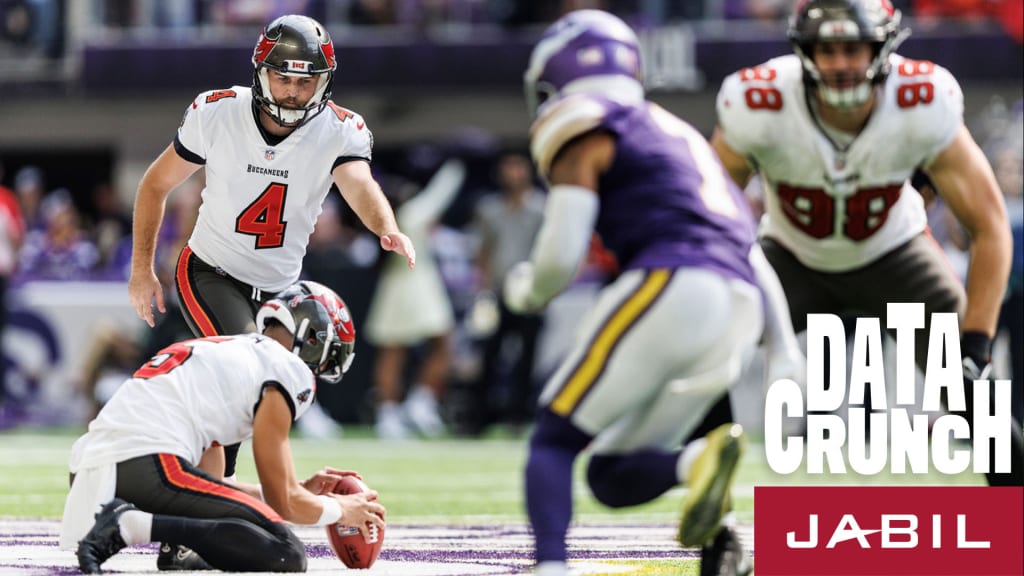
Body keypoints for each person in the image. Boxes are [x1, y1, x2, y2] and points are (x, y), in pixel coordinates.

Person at [509, 10, 804, 576]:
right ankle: (699, 461)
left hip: (673, 281)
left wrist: (525, 291)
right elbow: (750, 247)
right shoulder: (677, 131)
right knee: (611, 474)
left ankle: (551, 566)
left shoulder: (584, 118)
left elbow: (559, 257)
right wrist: (782, 348)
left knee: (552, 440)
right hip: (741, 305)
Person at [709, 0, 1022, 485]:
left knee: (972, 395)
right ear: (803, 50)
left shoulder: (921, 98)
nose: (839, 64)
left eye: (853, 48)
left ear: (881, 47)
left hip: (892, 254)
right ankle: (711, 520)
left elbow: (990, 226)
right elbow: (709, 212)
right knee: (703, 359)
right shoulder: (760, 102)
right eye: (826, 49)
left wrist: (976, 344)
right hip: (789, 256)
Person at [127, 12, 415, 505]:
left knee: (258, 394)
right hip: (210, 270)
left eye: (306, 82)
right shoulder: (218, 112)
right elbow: (155, 183)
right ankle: (206, 514)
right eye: (283, 77)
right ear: (261, 71)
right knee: (247, 381)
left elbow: (360, 184)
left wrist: (386, 227)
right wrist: (141, 269)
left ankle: (214, 503)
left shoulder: (339, 130)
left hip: (281, 288)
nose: (292, 91)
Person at [60, 283, 380, 573]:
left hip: (99, 466)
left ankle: (170, 543)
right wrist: (340, 509)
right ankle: (130, 526)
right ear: (313, 338)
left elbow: (212, 487)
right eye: (327, 359)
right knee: (286, 553)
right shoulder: (287, 368)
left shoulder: (224, 353)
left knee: (245, 525)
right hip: (146, 462)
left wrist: (298, 488)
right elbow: (285, 503)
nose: (319, 369)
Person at [364, 157, 467, 439]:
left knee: (396, 351)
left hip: (398, 288)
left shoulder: (386, 219)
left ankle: (403, 409)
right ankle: (406, 408)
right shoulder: (408, 216)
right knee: (413, 349)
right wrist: (457, 165)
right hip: (415, 286)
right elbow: (439, 194)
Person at [467, 152, 546, 436]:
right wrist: (483, 292)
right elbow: (484, 252)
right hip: (498, 292)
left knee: (526, 359)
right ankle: (478, 419)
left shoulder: (541, 208)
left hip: (530, 294)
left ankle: (518, 417)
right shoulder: (490, 209)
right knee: (489, 355)